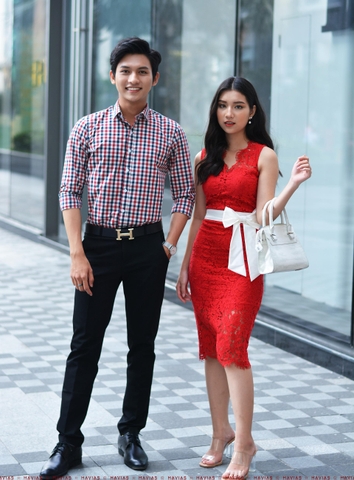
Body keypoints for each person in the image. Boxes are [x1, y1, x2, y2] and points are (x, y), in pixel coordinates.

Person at [40, 37, 195, 479]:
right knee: (84, 346)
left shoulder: (171, 132)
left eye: (142, 71)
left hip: (149, 248)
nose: (133, 78)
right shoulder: (87, 127)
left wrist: (169, 245)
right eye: (126, 70)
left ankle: (131, 434)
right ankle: (68, 442)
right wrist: (77, 252)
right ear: (113, 76)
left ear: (154, 80)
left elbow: (185, 192)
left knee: (141, 346)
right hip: (98, 247)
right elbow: (69, 190)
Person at [176, 76, 311, 479]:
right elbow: (199, 215)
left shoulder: (263, 155)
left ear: (252, 111)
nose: (229, 113)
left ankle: (246, 442)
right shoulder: (205, 155)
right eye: (222, 105)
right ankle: (221, 434)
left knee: (233, 347)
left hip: (242, 262)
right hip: (205, 259)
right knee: (212, 351)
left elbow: (264, 215)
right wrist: (184, 266)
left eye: (238, 106)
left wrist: (292, 186)